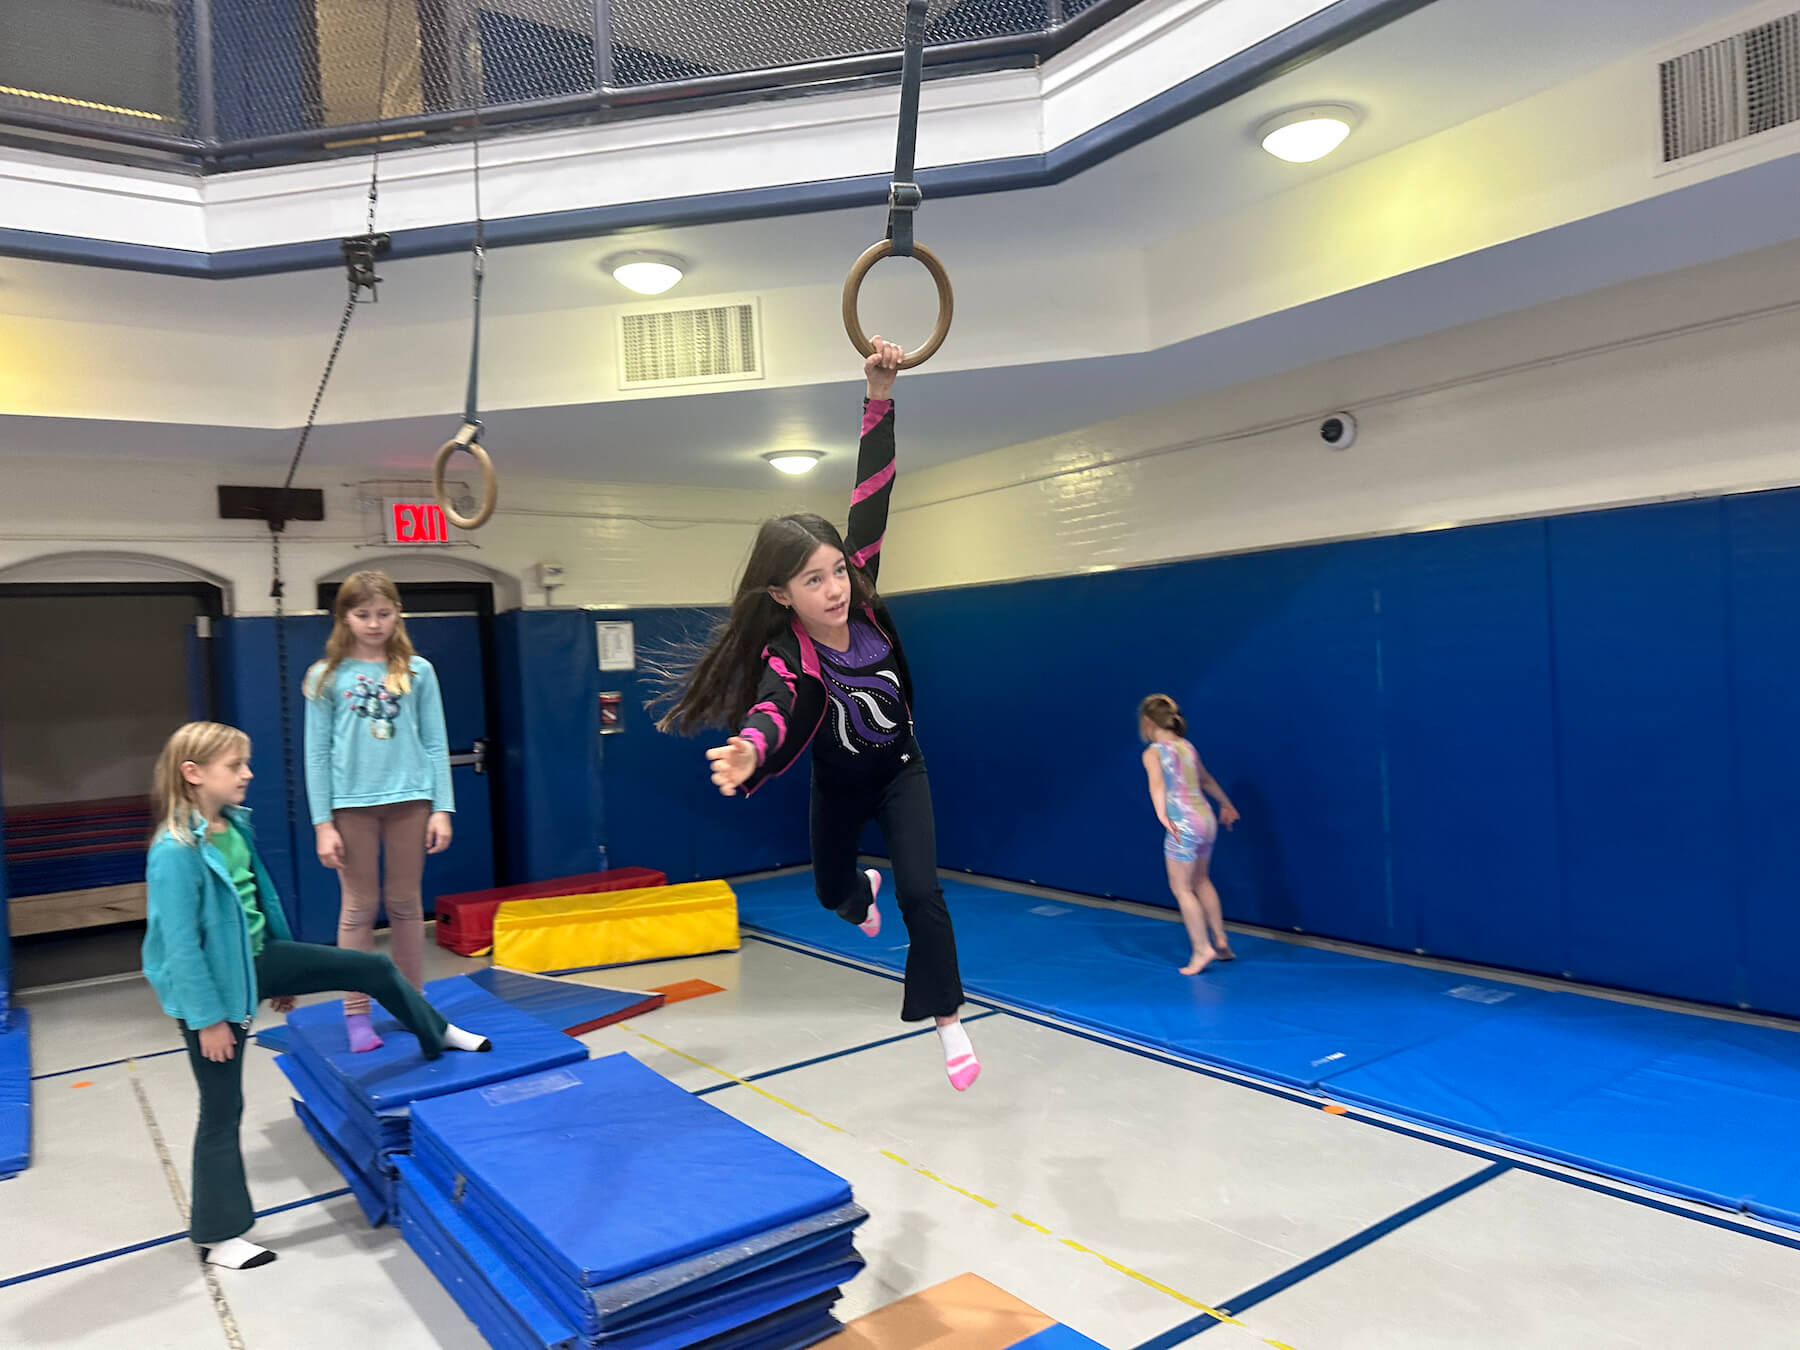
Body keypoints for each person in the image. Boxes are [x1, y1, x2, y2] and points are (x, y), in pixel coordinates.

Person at [658, 340, 978, 1091]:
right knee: (835, 894)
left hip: (902, 770)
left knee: (922, 892)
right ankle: (854, 893)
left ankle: (947, 1018)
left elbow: (874, 491)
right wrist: (747, 751)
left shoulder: (864, 601)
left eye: (837, 570)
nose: (834, 588)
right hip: (838, 789)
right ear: (782, 595)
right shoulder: (790, 656)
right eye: (813, 580)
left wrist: (879, 393)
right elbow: (773, 713)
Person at [142, 722, 489, 1270]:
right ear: (194, 773)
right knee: (221, 1108)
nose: (247, 775)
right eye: (235, 766)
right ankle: (218, 1235)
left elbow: (258, 903)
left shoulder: (232, 826)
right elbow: (179, 946)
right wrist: (208, 1019)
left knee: (371, 967)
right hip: (210, 989)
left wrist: (281, 973)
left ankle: (435, 1030)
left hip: (258, 962)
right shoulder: (175, 851)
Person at [304, 571, 453, 1053]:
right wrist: (322, 822)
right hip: (351, 806)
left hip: (411, 800)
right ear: (344, 617)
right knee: (358, 908)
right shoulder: (325, 676)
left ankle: (414, 1003)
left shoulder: (417, 671)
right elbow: (317, 754)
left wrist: (441, 808)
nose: (374, 624)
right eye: (363, 615)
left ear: (398, 614)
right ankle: (356, 1014)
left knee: (408, 904)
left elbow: (435, 742)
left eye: (384, 614)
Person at [1139, 694, 1241, 974]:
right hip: (1205, 819)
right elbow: (1206, 780)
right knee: (1202, 880)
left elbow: (1157, 787)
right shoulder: (1187, 747)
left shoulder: (1154, 752)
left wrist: (1162, 815)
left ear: (1148, 722)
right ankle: (1220, 941)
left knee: (1182, 888)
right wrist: (1226, 803)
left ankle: (1201, 949)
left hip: (1182, 821)